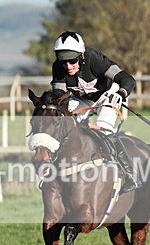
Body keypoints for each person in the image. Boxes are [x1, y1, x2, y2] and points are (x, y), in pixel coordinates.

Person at [50, 30, 141, 192]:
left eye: (72, 60)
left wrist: (121, 94)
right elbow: (59, 97)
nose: (68, 66)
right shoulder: (58, 68)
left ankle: (129, 173)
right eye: (63, 61)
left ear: (82, 55)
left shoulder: (94, 59)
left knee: (104, 129)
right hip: (80, 100)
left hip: (106, 97)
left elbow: (127, 79)